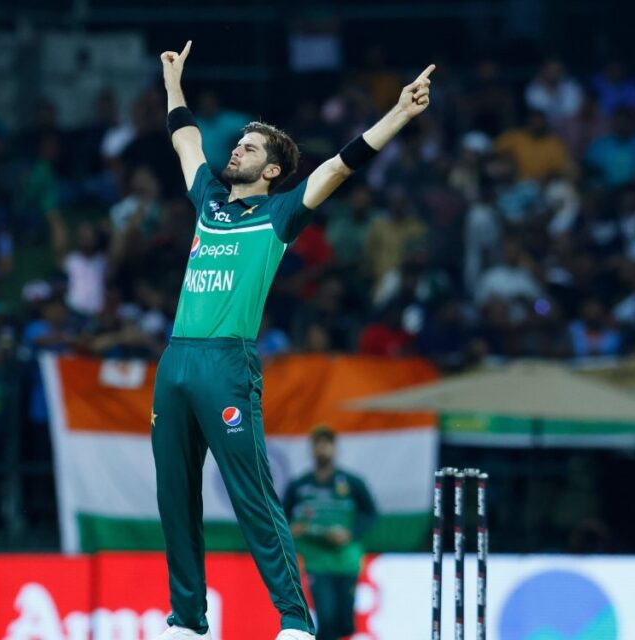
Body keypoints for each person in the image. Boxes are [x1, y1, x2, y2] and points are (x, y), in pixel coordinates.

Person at [150, 40, 434, 640]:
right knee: (174, 495)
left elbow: (339, 166)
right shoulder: (208, 201)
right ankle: (188, 620)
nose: (237, 149)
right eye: (240, 143)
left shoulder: (279, 214)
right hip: (176, 358)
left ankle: (295, 621)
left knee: (252, 494)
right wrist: (174, 83)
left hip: (226, 363)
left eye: (251, 147)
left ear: (272, 171)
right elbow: (185, 141)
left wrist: (400, 113)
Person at [283, 426, 376, 640]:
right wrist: (292, 528)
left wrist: (350, 533)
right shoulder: (299, 485)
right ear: (312, 449)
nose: (322, 450)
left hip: (347, 560)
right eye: (318, 445)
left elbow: (370, 514)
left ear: (335, 448)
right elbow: (281, 517)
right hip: (316, 561)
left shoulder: (352, 482)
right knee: (326, 617)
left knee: (345, 624)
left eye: (327, 445)